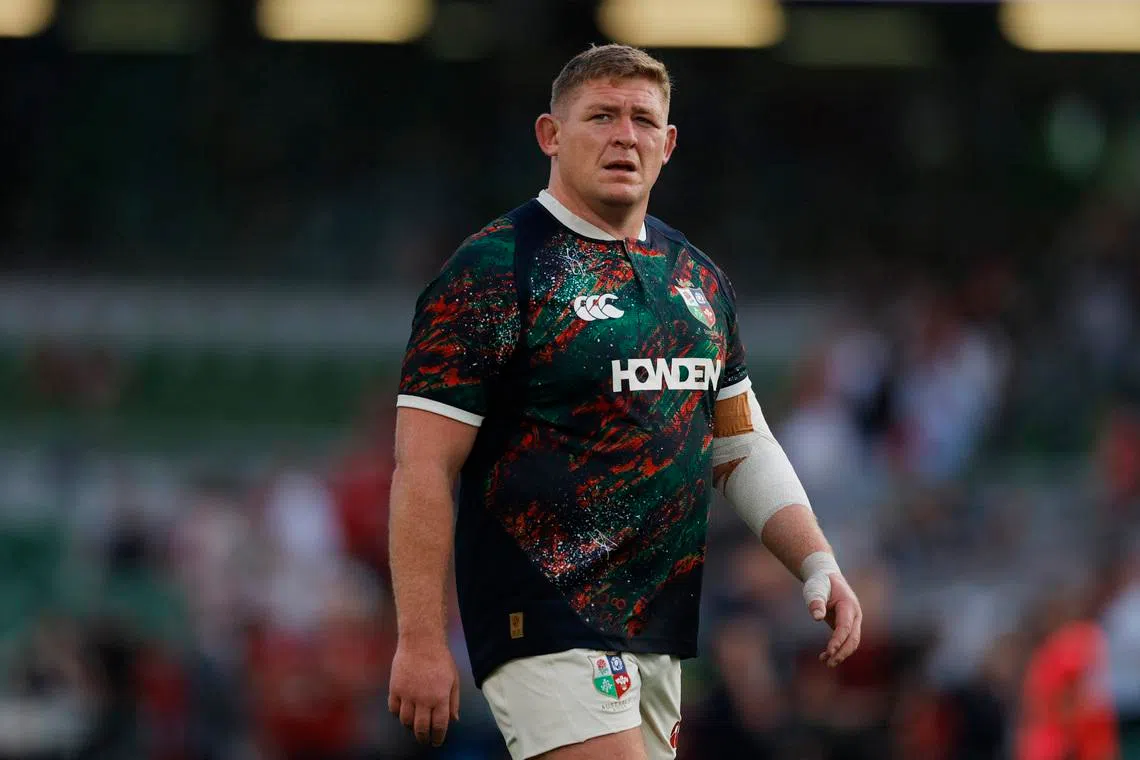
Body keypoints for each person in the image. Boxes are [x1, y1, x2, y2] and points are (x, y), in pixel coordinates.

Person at [388, 43, 863, 760]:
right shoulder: (492, 271)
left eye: (643, 119)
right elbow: (423, 467)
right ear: (551, 134)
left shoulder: (697, 279)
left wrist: (818, 562)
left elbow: (739, 444)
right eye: (601, 116)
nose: (624, 136)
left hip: (657, 627)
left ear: (668, 144)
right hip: (544, 614)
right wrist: (420, 640)